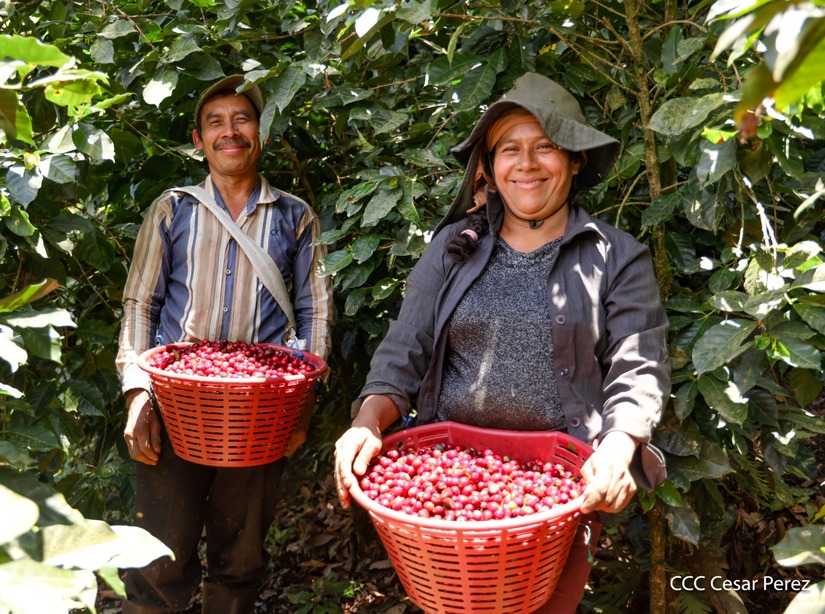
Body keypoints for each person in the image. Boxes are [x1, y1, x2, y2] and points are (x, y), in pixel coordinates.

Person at [333, 72, 669, 612]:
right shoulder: (454, 247)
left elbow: (639, 366)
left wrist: (618, 446)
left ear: (575, 160)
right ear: (489, 168)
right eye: (510, 149)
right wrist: (365, 424)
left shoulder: (616, 257)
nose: (527, 163)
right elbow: (403, 351)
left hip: (559, 493)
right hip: (449, 482)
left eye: (546, 146)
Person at [116, 74, 333, 614]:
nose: (229, 131)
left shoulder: (296, 216)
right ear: (199, 140)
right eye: (215, 122)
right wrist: (138, 392)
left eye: (242, 120)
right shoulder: (172, 210)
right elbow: (141, 303)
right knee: (157, 555)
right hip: (176, 404)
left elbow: (316, 309)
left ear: (262, 133)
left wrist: (304, 401)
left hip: (261, 409)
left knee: (241, 555)